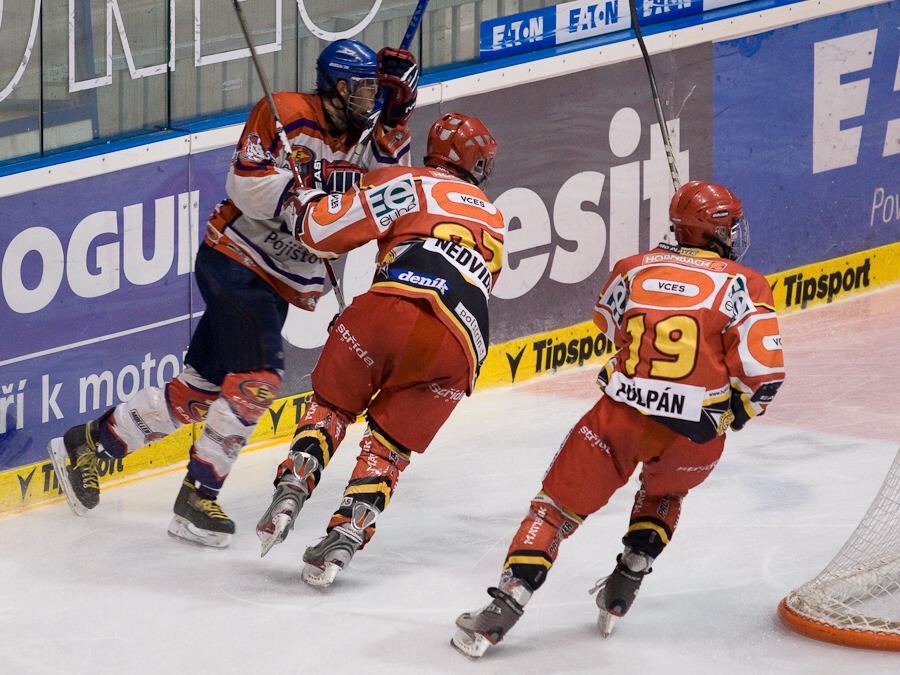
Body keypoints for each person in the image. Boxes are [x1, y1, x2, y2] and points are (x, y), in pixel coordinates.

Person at [46, 39, 420, 548]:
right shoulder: (285, 112)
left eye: (378, 91)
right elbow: (244, 181)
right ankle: (198, 497)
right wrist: (299, 198)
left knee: (200, 390)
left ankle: (86, 446)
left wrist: (396, 118)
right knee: (258, 379)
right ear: (338, 87)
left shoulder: (366, 140)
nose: (371, 98)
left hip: (280, 281)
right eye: (365, 89)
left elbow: (389, 192)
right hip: (237, 259)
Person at [451, 181, 786, 658]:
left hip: (620, 419)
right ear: (713, 229)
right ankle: (626, 580)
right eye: (730, 224)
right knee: (664, 493)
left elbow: (608, 325)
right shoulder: (745, 283)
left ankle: (502, 609)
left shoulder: (633, 268)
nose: (734, 232)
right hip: (695, 436)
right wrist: (731, 414)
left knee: (553, 511)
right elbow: (764, 375)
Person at [254, 112, 504, 588]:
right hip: (461, 347)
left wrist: (304, 201)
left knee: (332, 405)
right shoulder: (494, 218)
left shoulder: (408, 181)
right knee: (389, 448)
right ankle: (347, 533)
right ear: (476, 164)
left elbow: (319, 232)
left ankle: (292, 488)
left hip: (390, 307)